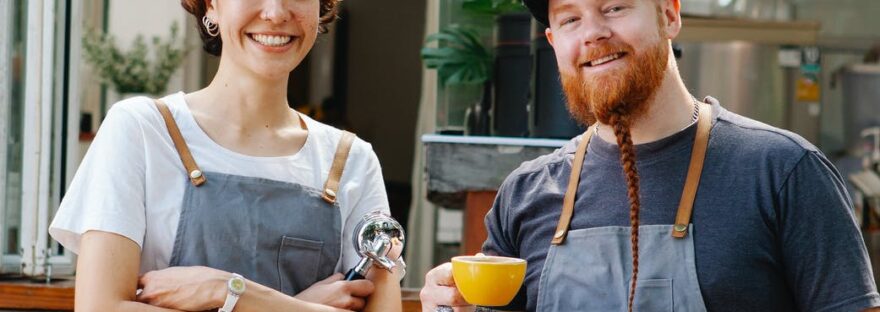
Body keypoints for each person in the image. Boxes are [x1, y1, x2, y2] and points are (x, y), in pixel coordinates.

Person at [420, 0, 880, 311]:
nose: (594, 33)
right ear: (552, 40)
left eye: (614, 6)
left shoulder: (784, 172)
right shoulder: (526, 193)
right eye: (570, 18)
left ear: (669, 13)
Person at [48, 0, 403, 311]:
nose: (276, 12)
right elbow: (102, 308)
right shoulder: (142, 131)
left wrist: (227, 291)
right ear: (211, 5)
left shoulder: (352, 160)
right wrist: (301, 307)